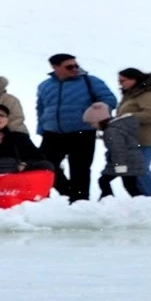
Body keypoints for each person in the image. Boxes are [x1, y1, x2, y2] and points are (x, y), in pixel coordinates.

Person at [36, 54, 118, 202]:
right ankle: (67, 192)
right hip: (52, 133)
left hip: (82, 132)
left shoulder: (91, 81)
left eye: (76, 65)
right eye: (69, 67)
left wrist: (100, 108)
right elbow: (41, 108)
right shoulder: (45, 85)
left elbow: (110, 99)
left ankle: (80, 202)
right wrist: (41, 127)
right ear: (55, 67)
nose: (75, 69)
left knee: (80, 170)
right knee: (43, 165)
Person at [115, 68, 151, 197]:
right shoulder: (131, 95)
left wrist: (128, 118)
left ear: (134, 79)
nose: (120, 84)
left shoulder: (150, 94)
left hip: (149, 138)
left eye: (123, 80)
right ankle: (143, 197)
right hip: (134, 139)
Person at [83, 102, 146, 199]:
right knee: (128, 184)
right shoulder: (114, 128)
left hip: (125, 162)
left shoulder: (111, 131)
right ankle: (109, 200)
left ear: (99, 120)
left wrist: (120, 165)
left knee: (106, 181)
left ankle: (108, 200)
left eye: (92, 123)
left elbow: (118, 149)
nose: (92, 126)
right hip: (129, 161)